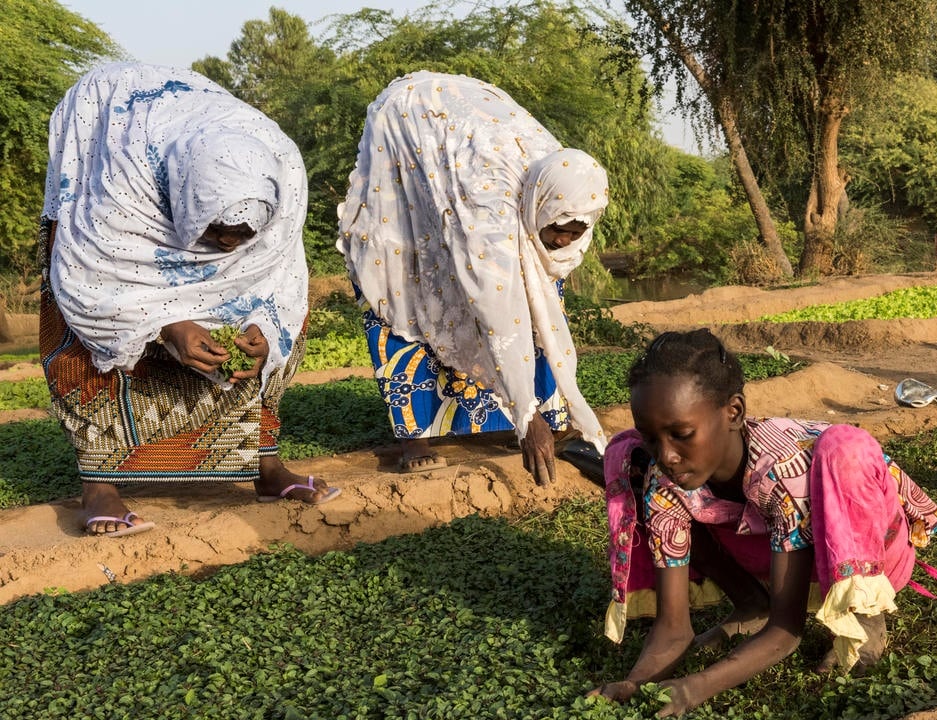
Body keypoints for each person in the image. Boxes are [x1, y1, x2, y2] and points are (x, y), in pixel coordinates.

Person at [591, 329, 937, 716]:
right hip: (772, 539)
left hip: (868, 536)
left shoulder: (784, 469)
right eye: (651, 437)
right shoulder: (666, 478)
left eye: (681, 434)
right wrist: (634, 683)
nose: (667, 455)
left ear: (733, 412)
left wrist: (696, 687)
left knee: (844, 449)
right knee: (632, 461)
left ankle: (864, 615)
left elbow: (786, 632)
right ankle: (751, 602)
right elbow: (673, 628)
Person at [39, 62, 339, 538]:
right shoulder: (122, 182)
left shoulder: (282, 173)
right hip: (113, 199)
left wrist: (267, 326)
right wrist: (166, 324)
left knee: (288, 315)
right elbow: (93, 278)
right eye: (217, 227)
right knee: (77, 324)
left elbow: (279, 272)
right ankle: (98, 484)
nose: (227, 244)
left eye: (244, 233)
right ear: (188, 200)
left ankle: (263, 463)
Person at [337, 71, 610, 483]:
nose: (563, 241)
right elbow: (496, 309)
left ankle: (536, 416)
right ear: (540, 204)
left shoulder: (565, 180)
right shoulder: (489, 206)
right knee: (410, 296)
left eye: (576, 232)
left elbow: (529, 302)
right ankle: (417, 439)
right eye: (558, 229)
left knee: (538, 300)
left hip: (465, 148)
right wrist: (525, 415)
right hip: (408, 139)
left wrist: (529, 411)